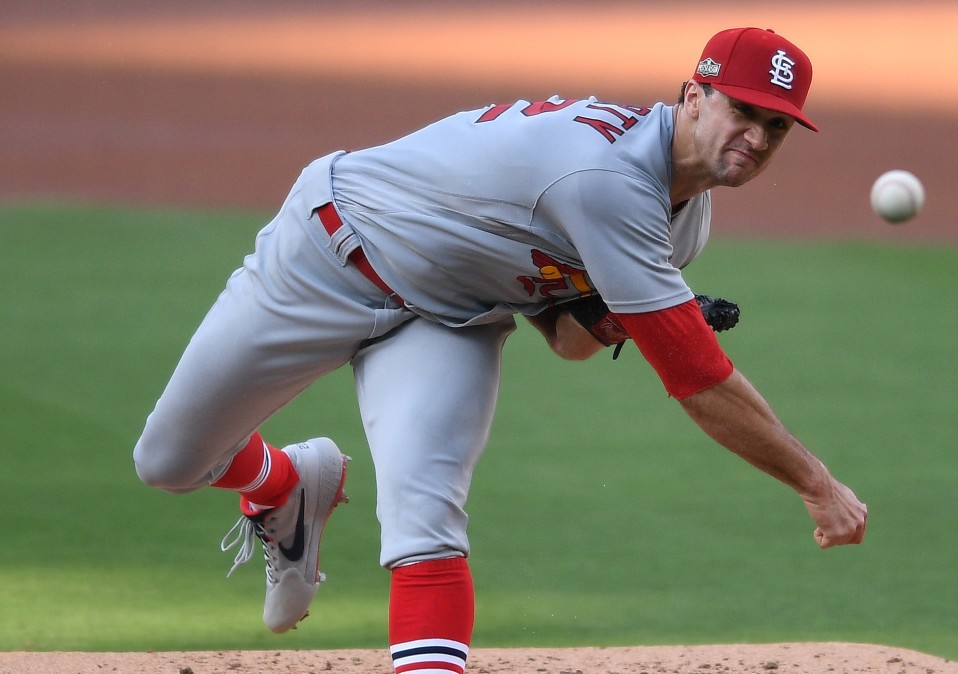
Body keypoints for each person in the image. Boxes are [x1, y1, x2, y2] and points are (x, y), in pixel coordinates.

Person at [133, 26, 868, 674]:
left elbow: (567, 341)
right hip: (326, 257)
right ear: (695, 96)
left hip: (449, 320)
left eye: (777, 126)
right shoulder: (608, 177)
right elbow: (697, 379)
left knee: (426, 527)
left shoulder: (685, 223)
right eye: (745, 112)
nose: (758, 137)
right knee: (167, 463)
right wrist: (816, 482)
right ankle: (281, 483)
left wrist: (614, 318)